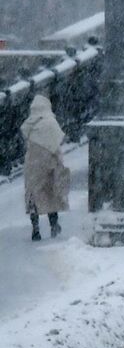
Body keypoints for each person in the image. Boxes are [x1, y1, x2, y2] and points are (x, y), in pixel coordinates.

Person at [20, 94, 69, 241]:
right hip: (49, 164)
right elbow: (56, 146)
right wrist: (59, 164)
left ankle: (35, 229)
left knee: (33, 196)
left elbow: (26, 144)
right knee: (50, 195)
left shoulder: (28, 124)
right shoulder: (50, 123)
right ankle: (54, 225)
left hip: (32, 166)